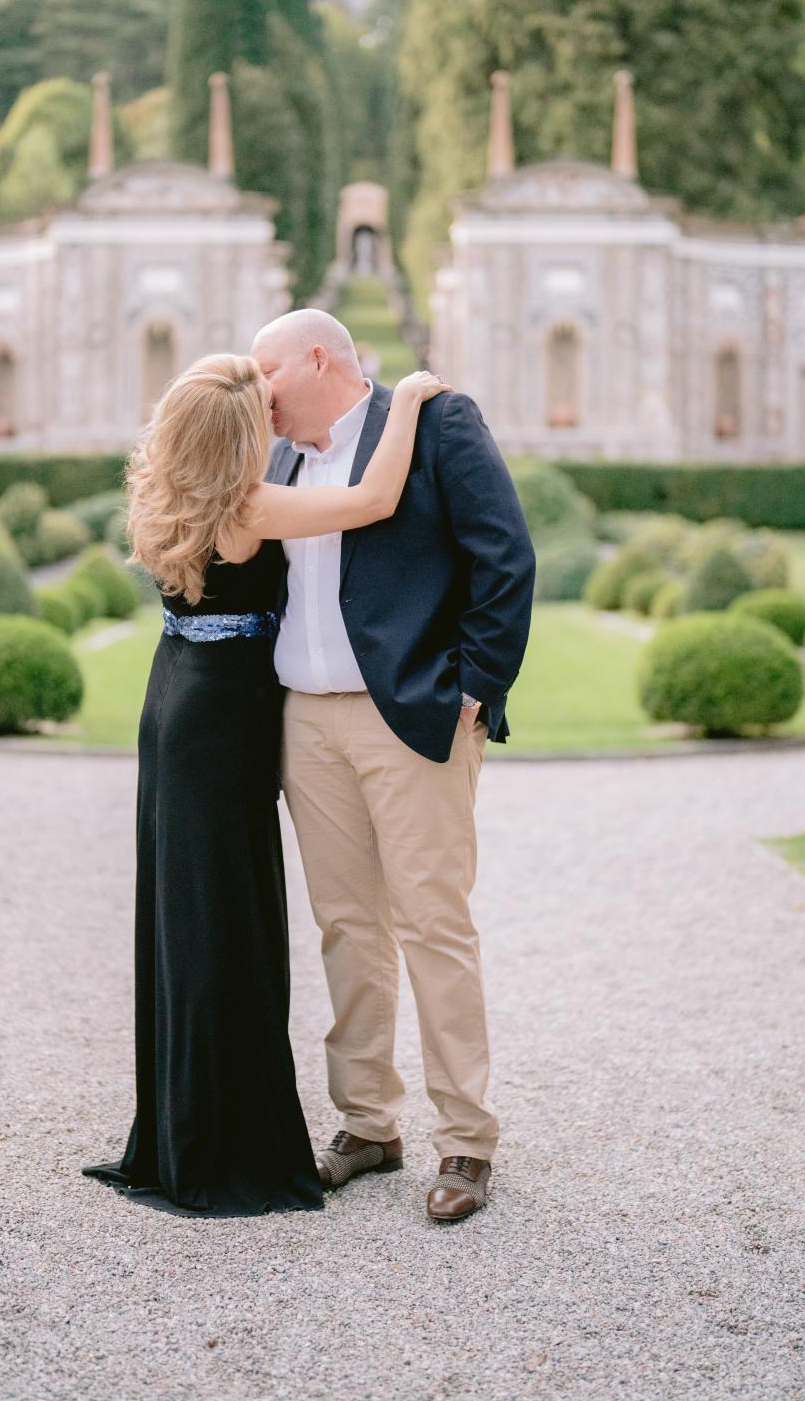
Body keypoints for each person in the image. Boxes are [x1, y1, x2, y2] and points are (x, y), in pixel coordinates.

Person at [81, 352, 450, 1217]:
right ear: (233, 437)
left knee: (186, 915)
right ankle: (223, 1146)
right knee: (225, 922)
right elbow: (373, 501)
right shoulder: (245, 507)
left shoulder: (166, 492)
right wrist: (413, 399)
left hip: (172, 701)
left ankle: (182, 1130)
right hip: (223, 723)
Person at [252, 309, 536, 1223]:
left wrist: (475, 688)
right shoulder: (280, 458)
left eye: (269, 373)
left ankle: (467, 1141)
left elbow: (505, 558)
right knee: (344, 925)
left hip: (412, 716)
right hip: (306, 721)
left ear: (319, 357)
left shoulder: (437, 422)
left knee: (432, 923)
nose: (260, 394)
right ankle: (369, 1123)